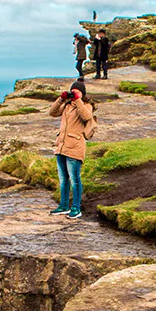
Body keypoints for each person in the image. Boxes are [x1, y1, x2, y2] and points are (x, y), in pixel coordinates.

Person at [48, 80, 96, 219]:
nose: (74, 92)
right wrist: (61, 99)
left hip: (75, 147)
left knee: (75, 179)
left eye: (77, 91)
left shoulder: (87, 106)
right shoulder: (66, 106)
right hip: (62, 146)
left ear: (82, 93)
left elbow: (87, 117)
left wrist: (78, 100)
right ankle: (63, 206)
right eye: (73, 90)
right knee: (63, 179)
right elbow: (52, 112)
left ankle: (76, 208)